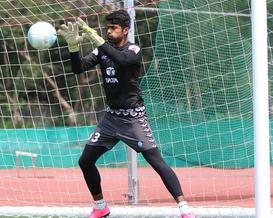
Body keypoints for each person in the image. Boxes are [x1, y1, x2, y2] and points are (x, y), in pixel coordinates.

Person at [57, 10, 196, 218]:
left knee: (156, 161)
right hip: (111, 119)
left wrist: (97, 40)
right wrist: (73, 47)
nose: (109, 31)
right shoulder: (103, 50)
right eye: (107, 28)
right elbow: (79, 68)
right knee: (85, 161)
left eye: (114, 28)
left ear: (125, 30)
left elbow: (121, 60)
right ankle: (100, 207)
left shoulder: (134, 49)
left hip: (133, 118)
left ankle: (184, 208)